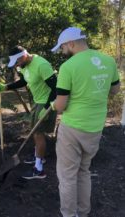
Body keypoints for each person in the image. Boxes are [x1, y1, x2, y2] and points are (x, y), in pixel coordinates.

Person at [51, 27, 120, 217]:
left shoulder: (69, 67)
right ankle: (83, 212)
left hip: (73, 127)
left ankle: (69, 214)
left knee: (67, 175)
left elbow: (60, 107)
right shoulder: (108, 61)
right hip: (95, 127)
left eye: (62, 47)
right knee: (83, 170)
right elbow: (115, 91)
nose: (62, 51)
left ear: (71, 44)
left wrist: (54, 103)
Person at [0, 45, 57, 179]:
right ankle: (39, 156)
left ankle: (39, 169)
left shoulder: (42, 65)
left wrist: (48, 107)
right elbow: (24, 80)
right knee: (35, 132)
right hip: (37, 102)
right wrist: (7, 86)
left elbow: (55, 87)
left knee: (38, 133)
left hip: (46, 102)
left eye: (17, 62)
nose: (17, 65)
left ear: (23, 56)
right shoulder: (24, 66)